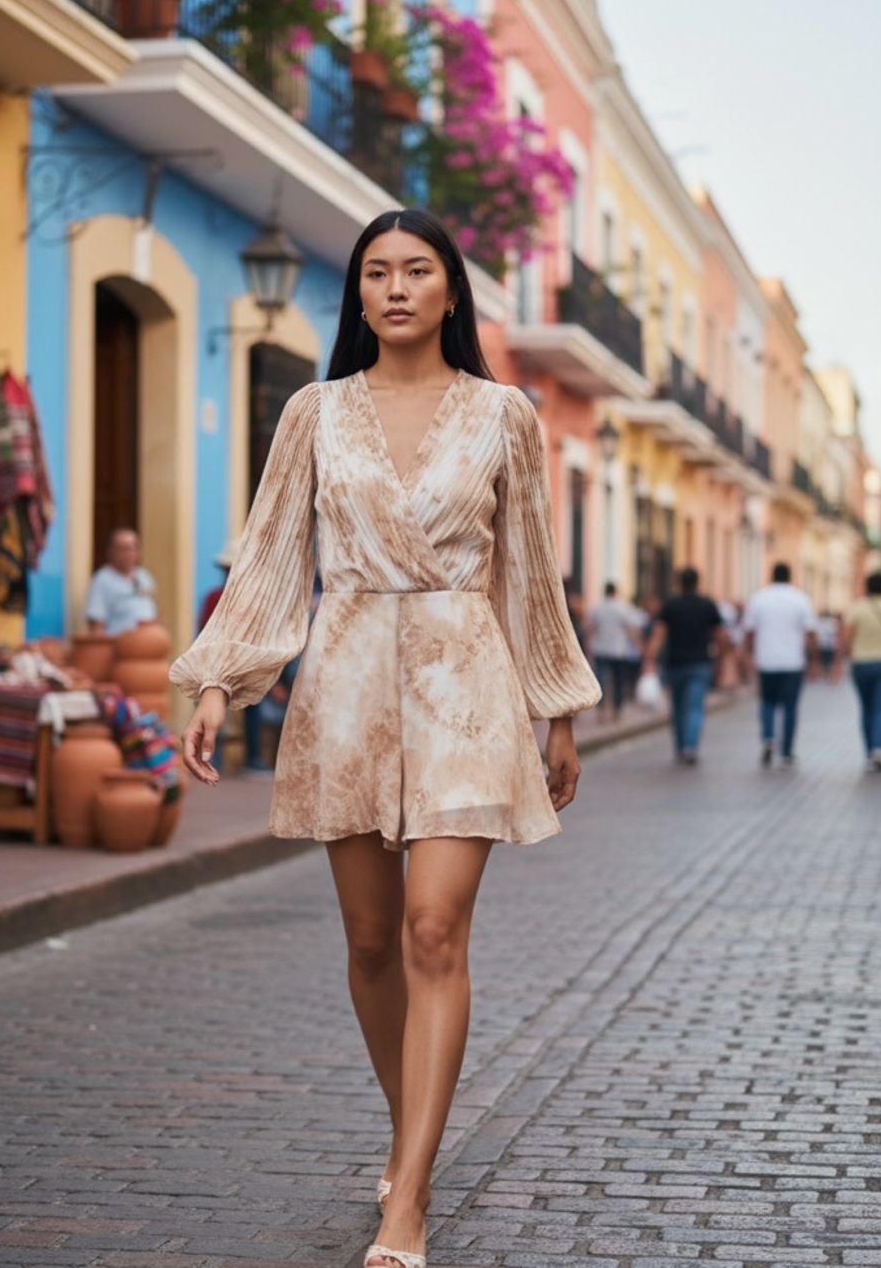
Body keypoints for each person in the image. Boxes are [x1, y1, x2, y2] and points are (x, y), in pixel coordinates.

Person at [171, 207, 601, 1268]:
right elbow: (272, 556)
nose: (397, 288)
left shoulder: (503, 413)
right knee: (368, 942)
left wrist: (557, 704)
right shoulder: (314, 414)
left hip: (465, 678)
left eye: (418, 271)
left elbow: (527, 569)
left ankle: (405, 1200)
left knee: (429, 931)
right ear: (358, 297)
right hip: (348, 680)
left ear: (451, 292)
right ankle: (413, 1131)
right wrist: (220, 682)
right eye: (377, 273)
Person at [197, 543, 272, 775]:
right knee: (214, 709)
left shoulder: (254, 599)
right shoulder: (214, 597)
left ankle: (252, 758)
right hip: (218, 661)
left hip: (245, 661)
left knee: (252, 708)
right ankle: (211, 757)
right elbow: (204, 631)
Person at [642, 566, 726, 765]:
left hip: (675, 664)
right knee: (695, 706)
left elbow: (658, 635)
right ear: (698, 582)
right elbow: (720, 635)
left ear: (680, 583)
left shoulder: (671, 605)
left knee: (678, 707)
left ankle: (681, 747)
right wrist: (722, 657)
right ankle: (690, 746)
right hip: (700, 663)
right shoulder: (707, 604)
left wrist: (649, 658)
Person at [743, 562, 818, 767]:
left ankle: (768, 738)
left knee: (767, 702)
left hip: (766, 660)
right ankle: (786, 751)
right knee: (790, 706)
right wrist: (814, 660)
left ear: (772, 576)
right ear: (790, 576)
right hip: (792, 661)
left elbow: (749, 632)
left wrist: (747, 656)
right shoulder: (800, 599)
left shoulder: (759, 598)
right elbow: (810, 633)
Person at [839, 570, 881, 773]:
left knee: (866, 708)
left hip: (862, 664)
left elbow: (846, 638)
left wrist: (837, 664)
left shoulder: (857, 608)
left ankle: (869, 752)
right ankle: (879, 749)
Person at [85, 528, 157, 635]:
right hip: (120, 646)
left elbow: (154, 610)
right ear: (111, 552)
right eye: (123, 549)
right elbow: (96, 625)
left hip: (150, 642)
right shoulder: (101, 580)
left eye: (132, 548)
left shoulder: (144, 576)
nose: (128, 553)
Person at [587, 582, 642, 721]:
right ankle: (617, 711)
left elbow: (589, 629)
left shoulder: (597, 608)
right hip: (619, 651)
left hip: (601, 650)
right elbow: (631, 629)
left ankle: (601, 711)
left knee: (601, 682)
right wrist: (638, 645)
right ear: (615, 592)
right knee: (618, 682)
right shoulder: (622, 608)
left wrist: (588, 647)